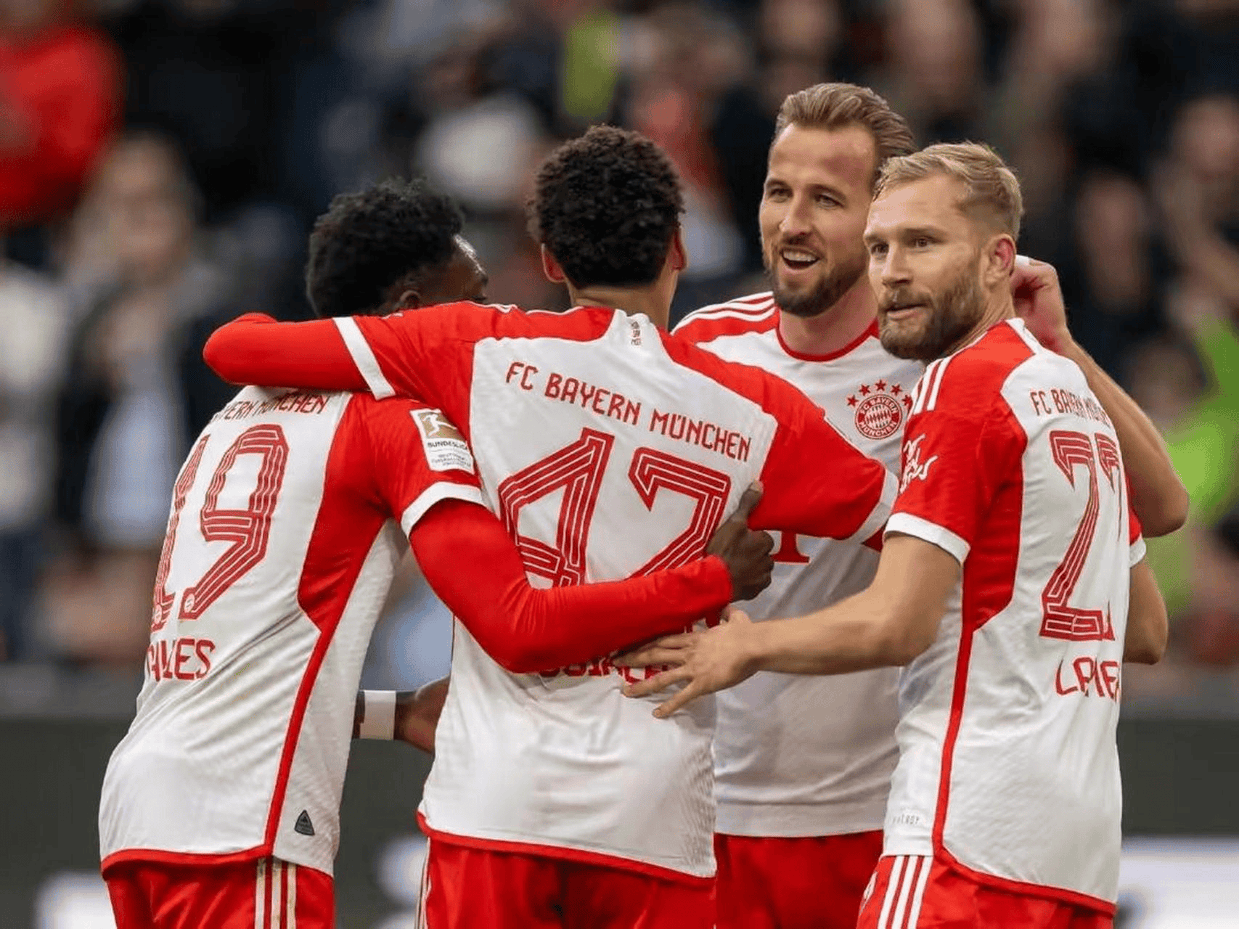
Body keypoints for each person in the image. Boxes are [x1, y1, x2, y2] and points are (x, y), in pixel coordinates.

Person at [202, 124, 898, 929]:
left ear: (550, 262)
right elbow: (912, 530)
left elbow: (236, 349)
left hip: (495, 803)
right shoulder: (761, 410)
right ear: (677, 247)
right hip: (653, 813)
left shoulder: (470, 344)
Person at [99, 177, 777, 929]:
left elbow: (240, 678)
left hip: (140, 806)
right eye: (477, 298)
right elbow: (519, 626)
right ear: (414, 310)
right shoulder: (395, 423)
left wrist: (397, 715)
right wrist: (709, 579)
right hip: (241, 828)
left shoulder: (234, 417)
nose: (495, 320)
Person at [672, 82, 1188, 929]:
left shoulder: (938, 365)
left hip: (897, 810)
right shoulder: (699, 348)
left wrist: (1054, 342)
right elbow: (1142, 616)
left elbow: (1160, 507)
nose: (793, 222)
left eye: (827, 200)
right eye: (777, 190)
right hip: (718, 798)